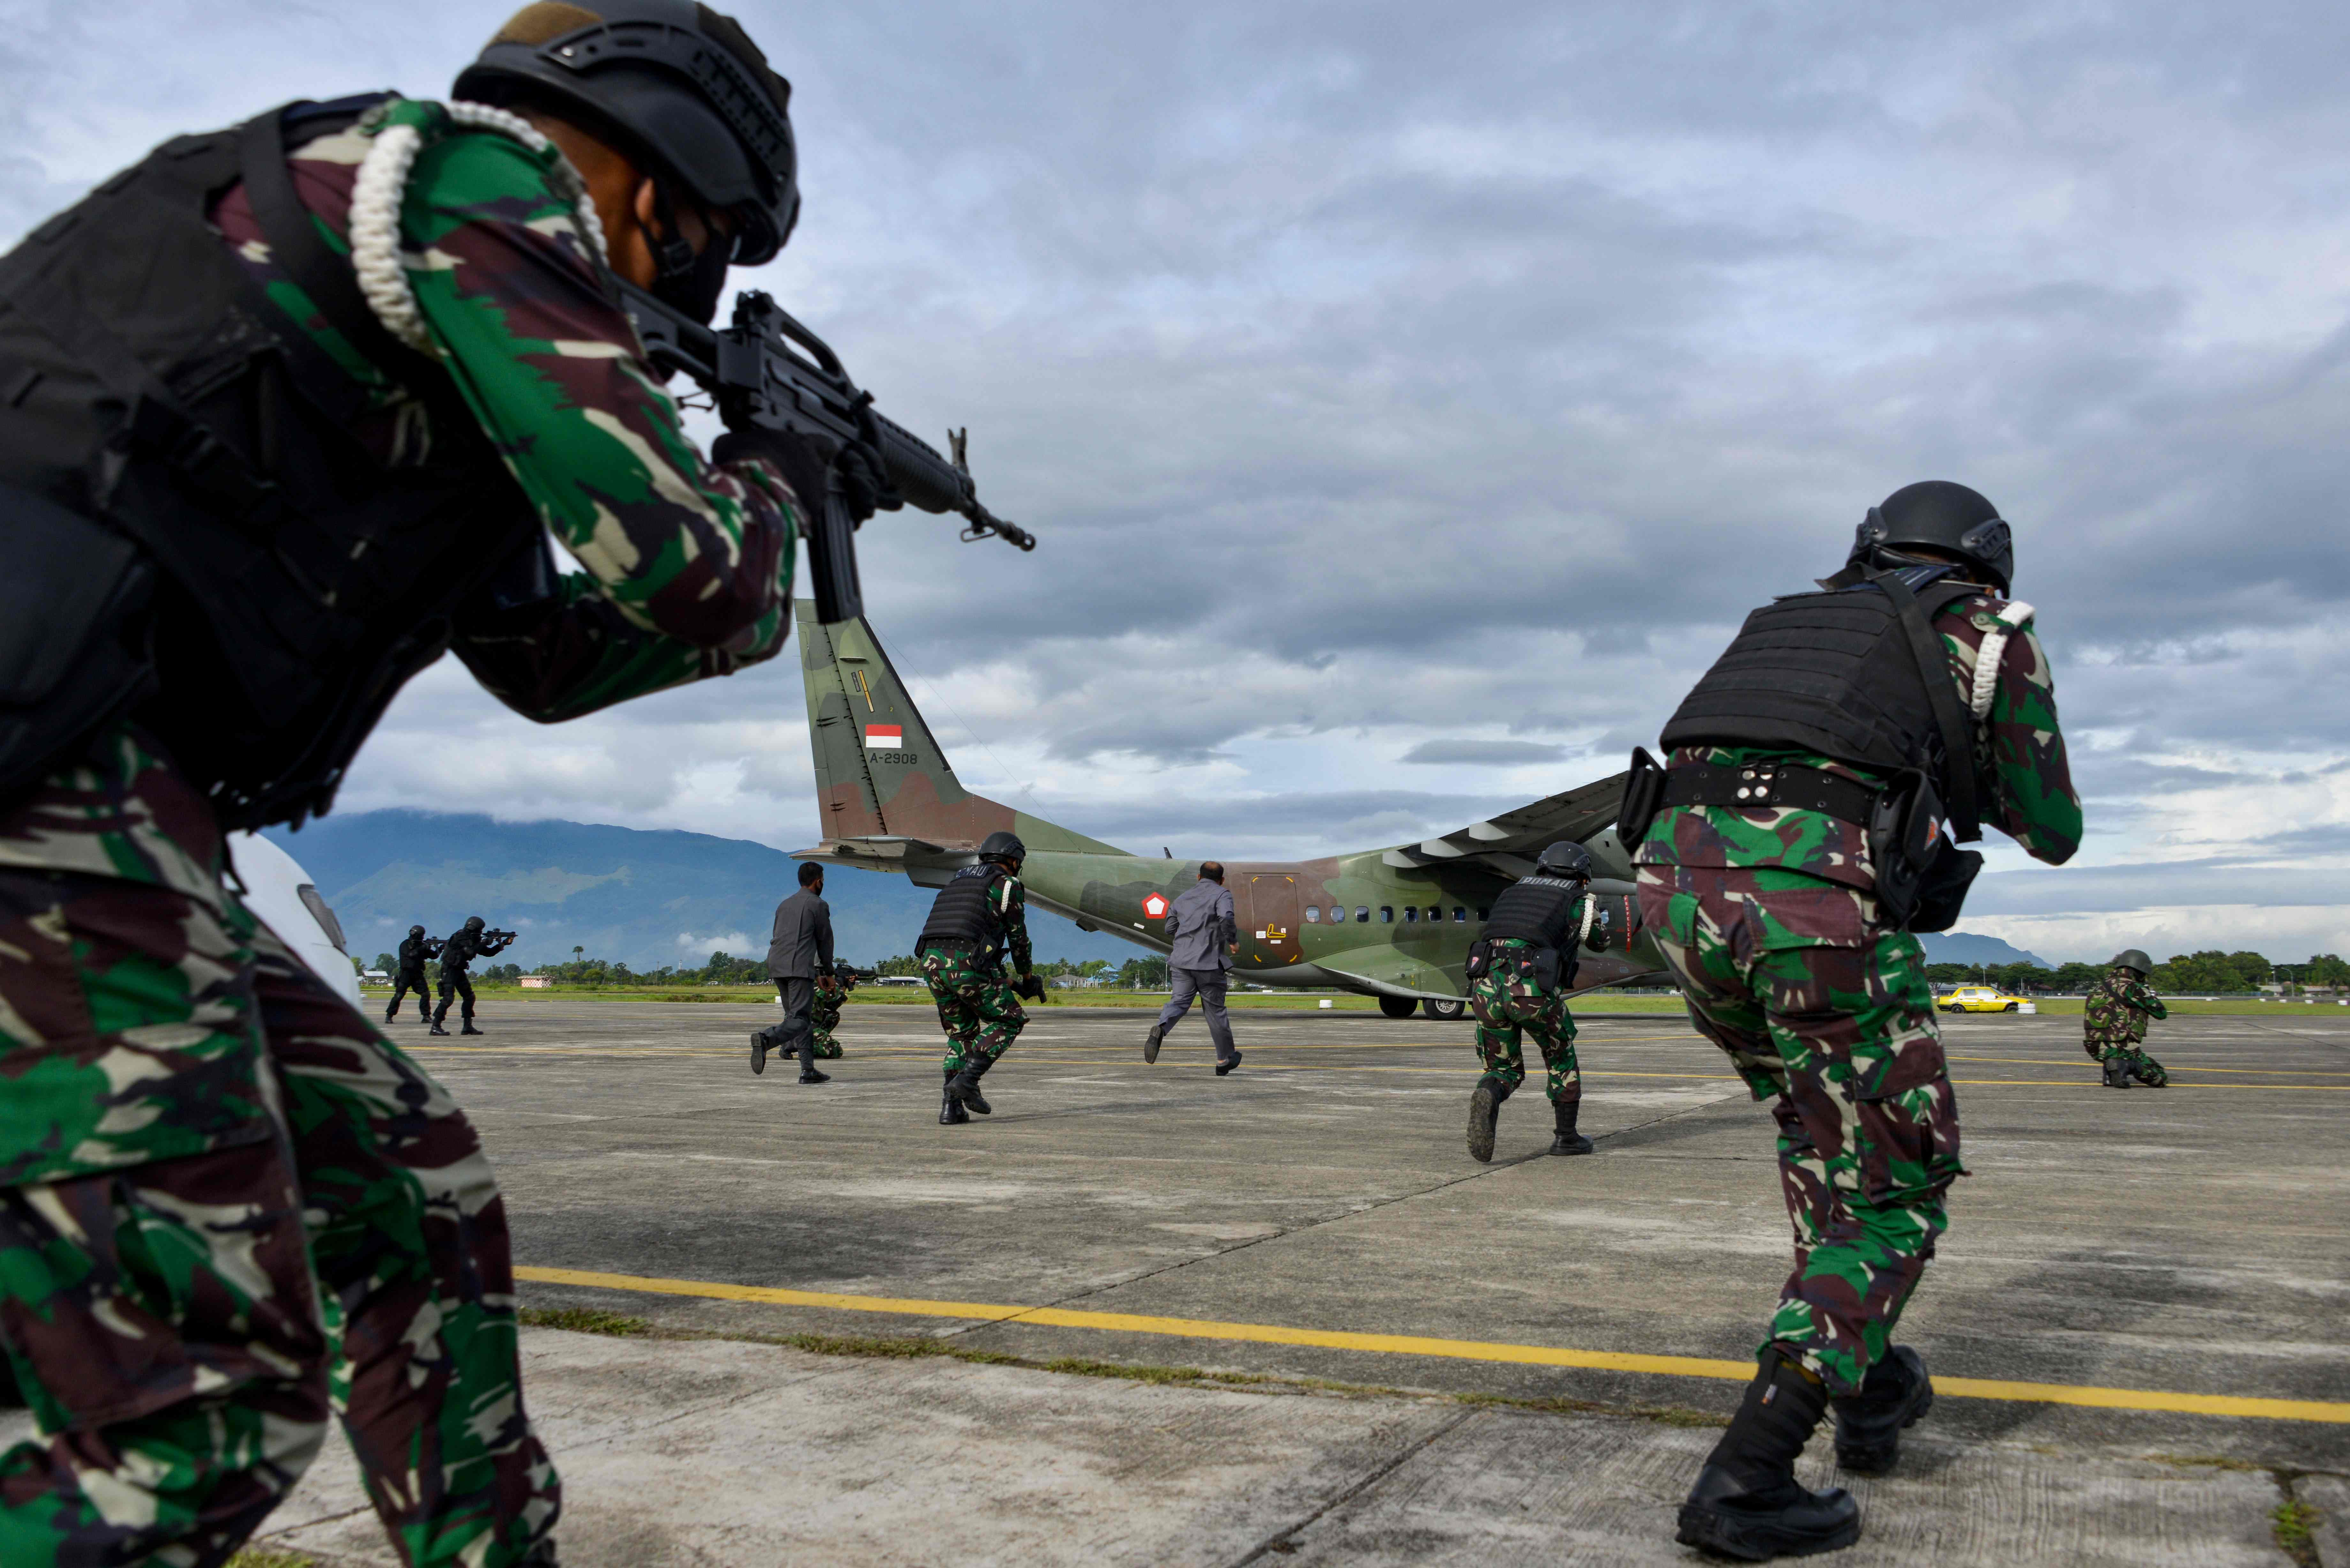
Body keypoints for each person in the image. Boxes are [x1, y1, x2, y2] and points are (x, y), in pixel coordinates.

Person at [0, 2, 821, 1560]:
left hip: (81, 780)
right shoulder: (462, 186)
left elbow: (548, 658)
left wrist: (755, 536)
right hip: (44, 778)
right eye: (715, 240)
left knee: (410, 1184)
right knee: (192, 1412)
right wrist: (776, 477)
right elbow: (695, 570)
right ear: (663, 201)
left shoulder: (425, 341)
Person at [1632, 481, 2081, 1560]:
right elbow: (2052, 825)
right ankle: (1751, 1474)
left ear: (1863, 549)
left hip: (1668, 900)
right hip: (1810, 906)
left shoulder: (1780, 621)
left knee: (1820, 1135)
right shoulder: (1986, 633)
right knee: (1898, 1182)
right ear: (1991, 560)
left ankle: (1870, 1384)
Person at [1465, 841, 1615, 1162]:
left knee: (1503, 1068)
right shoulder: (1578, 900)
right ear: (1583, 876)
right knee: (1560, 1056)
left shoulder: (1512, 893)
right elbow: (1601, 942)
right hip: (1529, 991)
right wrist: (1592, 912)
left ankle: (1489, 1092)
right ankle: (1566, 1138)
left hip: (1484, 989)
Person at [917, 831, 1044, 1125]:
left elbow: (976, 943)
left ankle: (952, 1108)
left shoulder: (959, 880)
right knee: (1010, 1020)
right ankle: (968, 1081)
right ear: (1013, 860)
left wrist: (1011, 984)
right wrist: (1027, 976)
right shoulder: (1006, 884)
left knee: (961, 1034)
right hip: (965, 964)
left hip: (932, 963)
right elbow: (1018, 940)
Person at [1144, 861, 1242, 1074]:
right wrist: (1233, 941)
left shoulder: (1182, 898)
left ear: (1198, 878)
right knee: (1215, 1011)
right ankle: (1224, 1060)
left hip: (1181, 962)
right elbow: (1226, 917)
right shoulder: (1222, 895)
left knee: (1179, 1002)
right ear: (1222, 880)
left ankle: (1161, 1029)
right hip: (1208, 964)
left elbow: (1170, 928)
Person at [752, 863, 833, 1084]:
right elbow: (825, 941)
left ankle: (808, 1071)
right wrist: (828, 972)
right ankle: (766, 1039)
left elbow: (785, 938)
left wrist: (814, 972)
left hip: (777, 965)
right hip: (797, 967)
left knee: (798, 1019)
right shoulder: (818, 904)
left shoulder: (784, 905)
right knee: (800, 1019)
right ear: (819, 881)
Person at [2084, 949, 2168, 1088]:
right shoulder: (2132, 988)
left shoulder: (2098, 987)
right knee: (2160, 1078)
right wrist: (2145, 992)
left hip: (2094, 1047)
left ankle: (2111, 1073)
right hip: (2122, 1046)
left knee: (2113, 1051)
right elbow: (2161, 1013)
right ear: (2136, 970)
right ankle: (2125, 1065)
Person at [431, 916, 513, 1037]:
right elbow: (469, 951)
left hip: (459, 970)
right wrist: (484, 942)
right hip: (449, 970)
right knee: (448, 999)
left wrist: (503, 944)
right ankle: (435, 1026)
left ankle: (467, 1027)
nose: (481, 933)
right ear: (474, 928)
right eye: (480, 930)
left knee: (469, 997)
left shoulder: (473, 939)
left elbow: (488, 953)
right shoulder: (460, 936)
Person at [803, 961, 858, 1062]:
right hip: (803, 1026)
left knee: (833, 1016)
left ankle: (811, 1046)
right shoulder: (813, 981)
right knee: (835, 1050)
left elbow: (833, 1005)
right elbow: (831, 996)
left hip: (811, 1025)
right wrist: (839, 982)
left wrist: (844, 985)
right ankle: (792, 1044)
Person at [387, 923, 442, 1024]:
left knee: (426, 994)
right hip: (406, 974)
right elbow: (411, 954)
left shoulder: (422, 946)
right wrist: (424, 947)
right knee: (399, 995)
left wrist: (440, 948)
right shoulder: (405, 945)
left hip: (418, 974)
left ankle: (426, 1016)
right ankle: (389, 1015)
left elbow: (434, 956)